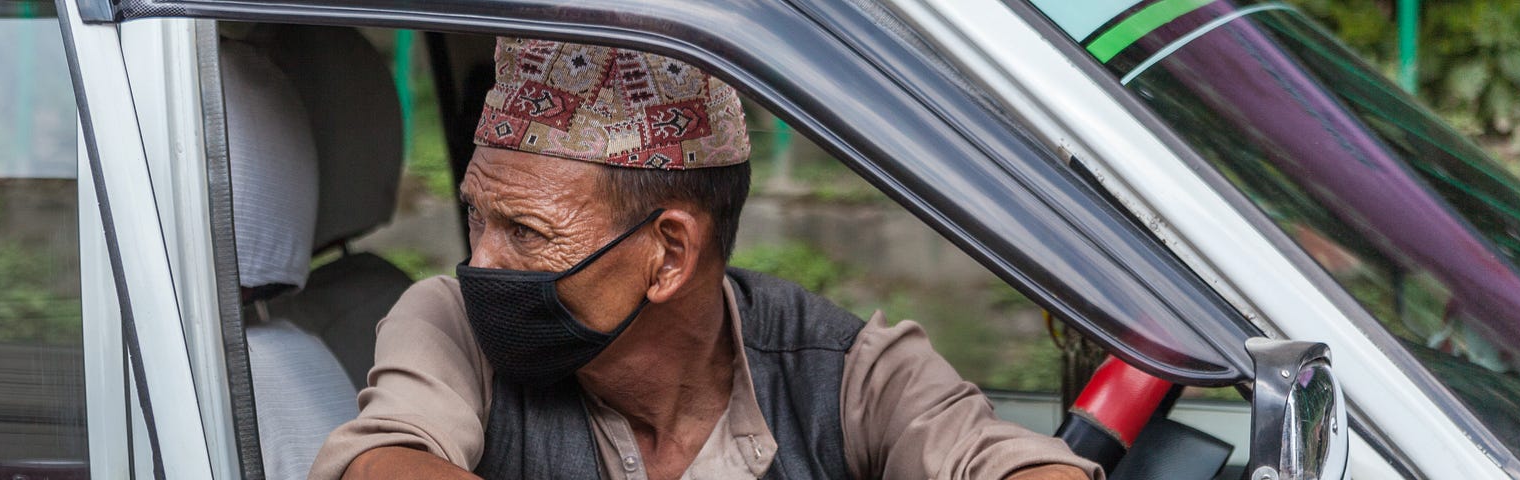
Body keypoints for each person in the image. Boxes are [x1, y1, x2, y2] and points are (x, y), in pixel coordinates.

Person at [310, 37, 1103, 480]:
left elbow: (1019, 470)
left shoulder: (849, 370)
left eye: (524, 232)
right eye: (475, 219)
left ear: (669, 255)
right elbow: (383, 462)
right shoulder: (448, 321)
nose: (479, 262)